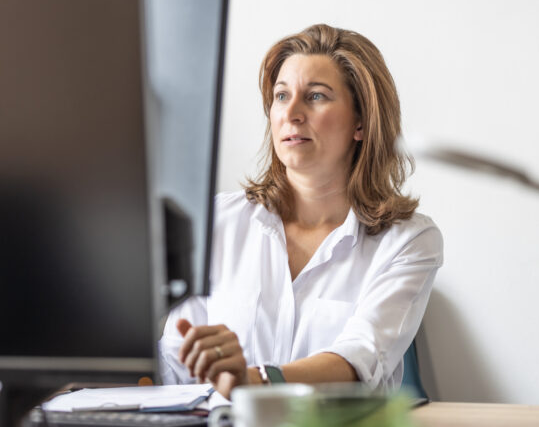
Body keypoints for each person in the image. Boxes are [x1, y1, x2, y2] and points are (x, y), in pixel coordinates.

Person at [159, 23, 443, 399]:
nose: (291, 113)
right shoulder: (216, 224)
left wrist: (254, 380)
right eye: (281, 96)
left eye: (316, 96)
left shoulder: (408, 241)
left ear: (361, 122)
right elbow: (173, 367)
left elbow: (359, 359)